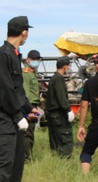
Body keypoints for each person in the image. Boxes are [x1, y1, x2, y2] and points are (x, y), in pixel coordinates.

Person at [0, 16, 40, 182]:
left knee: (16, 167)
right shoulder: (3, 55)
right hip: (5, 122)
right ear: (24, 33)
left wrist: (29, 108)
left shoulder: (15, 55)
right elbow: (5, 89)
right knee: (5, 168)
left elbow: (18, 90)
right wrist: (18, 115)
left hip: (14, 122)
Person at [45, 56, 75, 158]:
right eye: (69, 66)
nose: (69, 68)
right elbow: (61, 96)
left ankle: (56, 160)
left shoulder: (54, 78)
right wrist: (68, 110)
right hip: (59, 114)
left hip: (52, 115)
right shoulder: (58, 79)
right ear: (65, 66)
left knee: (55, 140)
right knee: (64, 138)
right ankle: (64, 160)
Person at [21, 49, 42, 162]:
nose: (36, 61)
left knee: (30, 133)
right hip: (29, 106)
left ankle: (27, 157)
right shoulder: (26, 73)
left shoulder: (32, 72)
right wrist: (28, 111)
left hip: (32, 106)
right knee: (27, 134)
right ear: (28, 60)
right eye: (34, 59)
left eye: (38, 59)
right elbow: (26, 94)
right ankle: (26, 159)